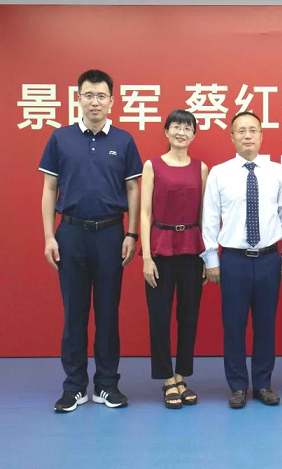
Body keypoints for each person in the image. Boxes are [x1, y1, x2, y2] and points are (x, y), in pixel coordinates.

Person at [40, 69, 142, 412]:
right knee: (75, 313)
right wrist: (49, 236)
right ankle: (74, 387)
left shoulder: (124, 141)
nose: (94, 101)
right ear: (78, 98)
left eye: (101, 96)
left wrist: (131, 233)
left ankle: (107, 385)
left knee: (108, 314)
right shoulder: (61, 138)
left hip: (111, 234)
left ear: (111, 101)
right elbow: (49, 189)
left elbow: (133, 188)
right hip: (70, 234)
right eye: (88, 95)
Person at [201, 111, 282, 409]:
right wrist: (211, 258)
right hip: (234, 260)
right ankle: (238, 386)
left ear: (261, 135)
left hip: (269, 258)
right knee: (234, 325)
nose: (247, 136)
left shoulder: (277, 172)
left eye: (253, 130)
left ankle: (263, 384)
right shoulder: (219, 173)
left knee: (266, 325)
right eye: (241, 131)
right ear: (232, 137)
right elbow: (210, 218)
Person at [141, 110, 208, 409]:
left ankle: (182, 375)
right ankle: (167, 378)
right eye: (176, 127)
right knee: (159, 316)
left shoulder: (201, 168)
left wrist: (207, 256)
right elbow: (145, 213)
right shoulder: (152, 165)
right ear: (166, 132)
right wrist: (146, 257)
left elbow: (205, 215)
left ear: (194, 134)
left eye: (187, 128)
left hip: (192, 249)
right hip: (160, 248)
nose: (181, 132)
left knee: (189, 315)